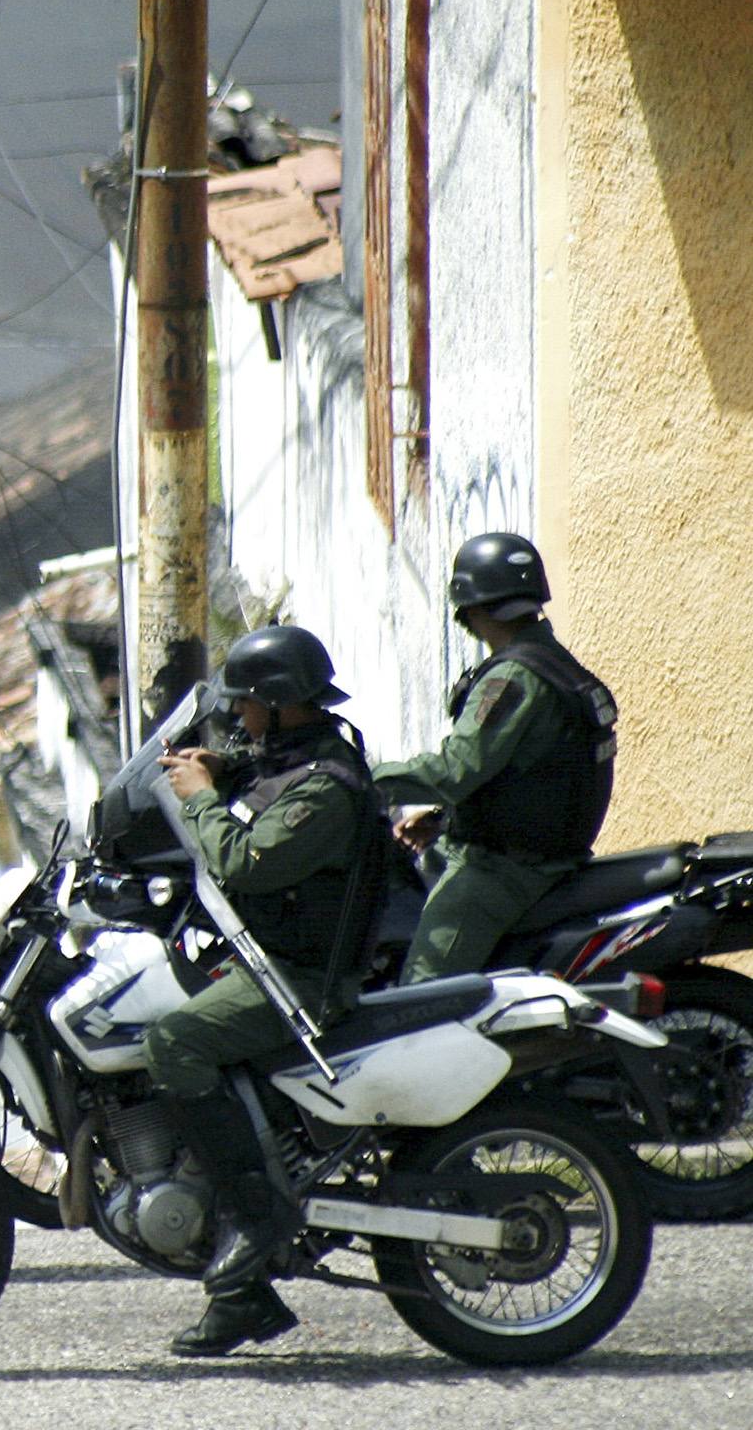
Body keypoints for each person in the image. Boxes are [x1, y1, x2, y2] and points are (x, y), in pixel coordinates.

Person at [137, 624, 387, 1357]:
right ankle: (239, 1286)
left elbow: (244, 861)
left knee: (173, 1041)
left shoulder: (325, 790)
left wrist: (200, 797)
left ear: (280, 706)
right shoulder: (297, 753)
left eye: (247, 706)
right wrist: (219, 763)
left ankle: (257, 1216)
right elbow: (260, 772)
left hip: (300, 981)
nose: (240, 717)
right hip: (262, 958)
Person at [378, 533, 617, 984]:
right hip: (545, 857)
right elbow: (530, 771)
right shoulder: (554, 662)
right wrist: (443, 818)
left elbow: (455, 770)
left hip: (501, 873)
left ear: (471, 609)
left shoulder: (512, 677)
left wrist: (364, 778)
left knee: (418, 1000)